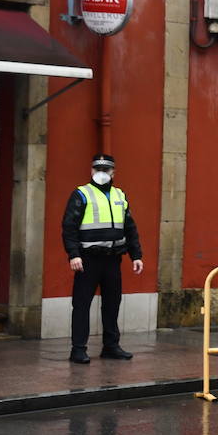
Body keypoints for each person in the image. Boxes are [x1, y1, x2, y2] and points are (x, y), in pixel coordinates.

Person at [62, 154, 143, 364]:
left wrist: (136, 255)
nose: (101, 173)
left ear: (113, 172)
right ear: (91, 171)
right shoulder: (81, 194)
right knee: (81, 305)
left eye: (105, 170)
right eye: (97, 169)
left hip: (113, 259)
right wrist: (74, 254)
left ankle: (111, 346)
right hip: (88, 259)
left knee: (112, 304)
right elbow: (69, 227)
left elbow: (130, 227)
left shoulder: (119, 195)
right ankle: (78, 349)